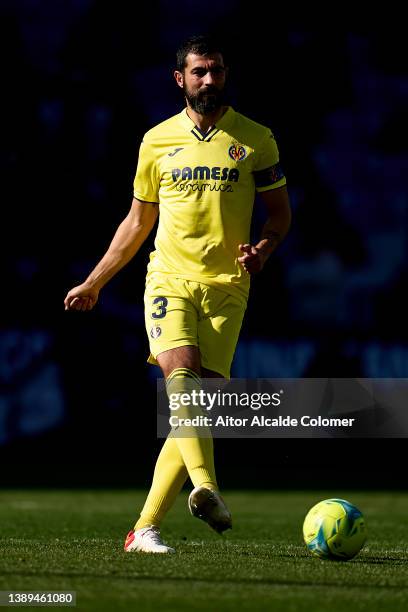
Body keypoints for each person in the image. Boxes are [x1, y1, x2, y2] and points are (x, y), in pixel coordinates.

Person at [64, 34, 291, 554]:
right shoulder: (156, 141)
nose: (208, 80)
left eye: (216, 71)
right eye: (199, 72)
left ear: (225, 76)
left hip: (228, 287)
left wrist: (264, 249)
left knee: (196, 409)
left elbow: (280, 214)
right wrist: (95, 281)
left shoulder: (256, 140)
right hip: (168, 278)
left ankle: (142, 530)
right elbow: (138, 220)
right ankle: (207, 486)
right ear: (180, 79)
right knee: (181, 377)